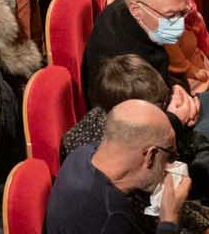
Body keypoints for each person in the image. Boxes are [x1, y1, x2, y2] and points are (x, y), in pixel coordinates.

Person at [44, 97, 190, 234]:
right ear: (150, 156)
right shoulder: (112, 220)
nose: (171, 164)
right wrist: (169, 220)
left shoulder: (84, 152)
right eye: (171, 155)